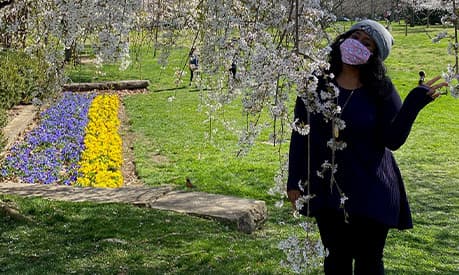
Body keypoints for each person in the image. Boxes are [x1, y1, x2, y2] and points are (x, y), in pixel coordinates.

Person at [287, 20, 447, 275]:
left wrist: (414, 102)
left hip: (372, 189)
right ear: (343, 39)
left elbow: (393, 139)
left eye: (367, 43)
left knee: (368, 262)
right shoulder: (316, 84)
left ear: (374, 54)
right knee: (335, 258)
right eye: (356, 37)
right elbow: (299, 133)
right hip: (327, 188)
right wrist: (294, 180)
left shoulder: (380, 90)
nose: (357, 44)